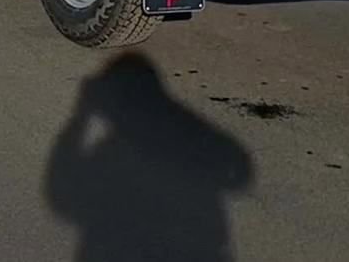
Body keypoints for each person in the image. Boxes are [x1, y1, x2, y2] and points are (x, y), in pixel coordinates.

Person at [45, 53, 254, 262]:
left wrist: (81, 114)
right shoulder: (179, 139)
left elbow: (62, 194)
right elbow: (238, 170)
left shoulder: (110, 153)